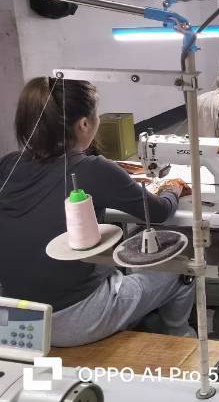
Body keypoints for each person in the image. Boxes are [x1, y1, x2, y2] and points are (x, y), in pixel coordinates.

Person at [0, 78, 195, 346]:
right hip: (75, 321)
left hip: (16, 317)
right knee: (181, 264)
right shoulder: (93, 169)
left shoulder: (8, 165)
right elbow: (160, 212)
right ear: (84, 124)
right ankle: (179, 339)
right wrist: (173, 188)